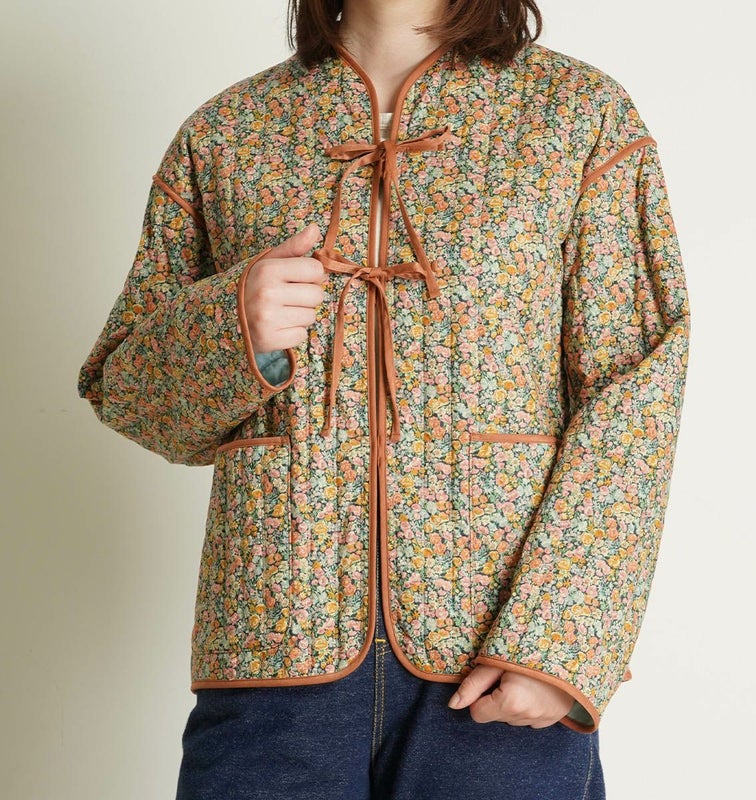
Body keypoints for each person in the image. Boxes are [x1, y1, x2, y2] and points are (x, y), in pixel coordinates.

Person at [76, 0, 690, 797]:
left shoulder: (578, 115)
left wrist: (561, 643)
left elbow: (636, 387)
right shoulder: (227, 132)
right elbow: (127, 395)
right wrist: (233, 324)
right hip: (273, 646)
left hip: (499, 659)